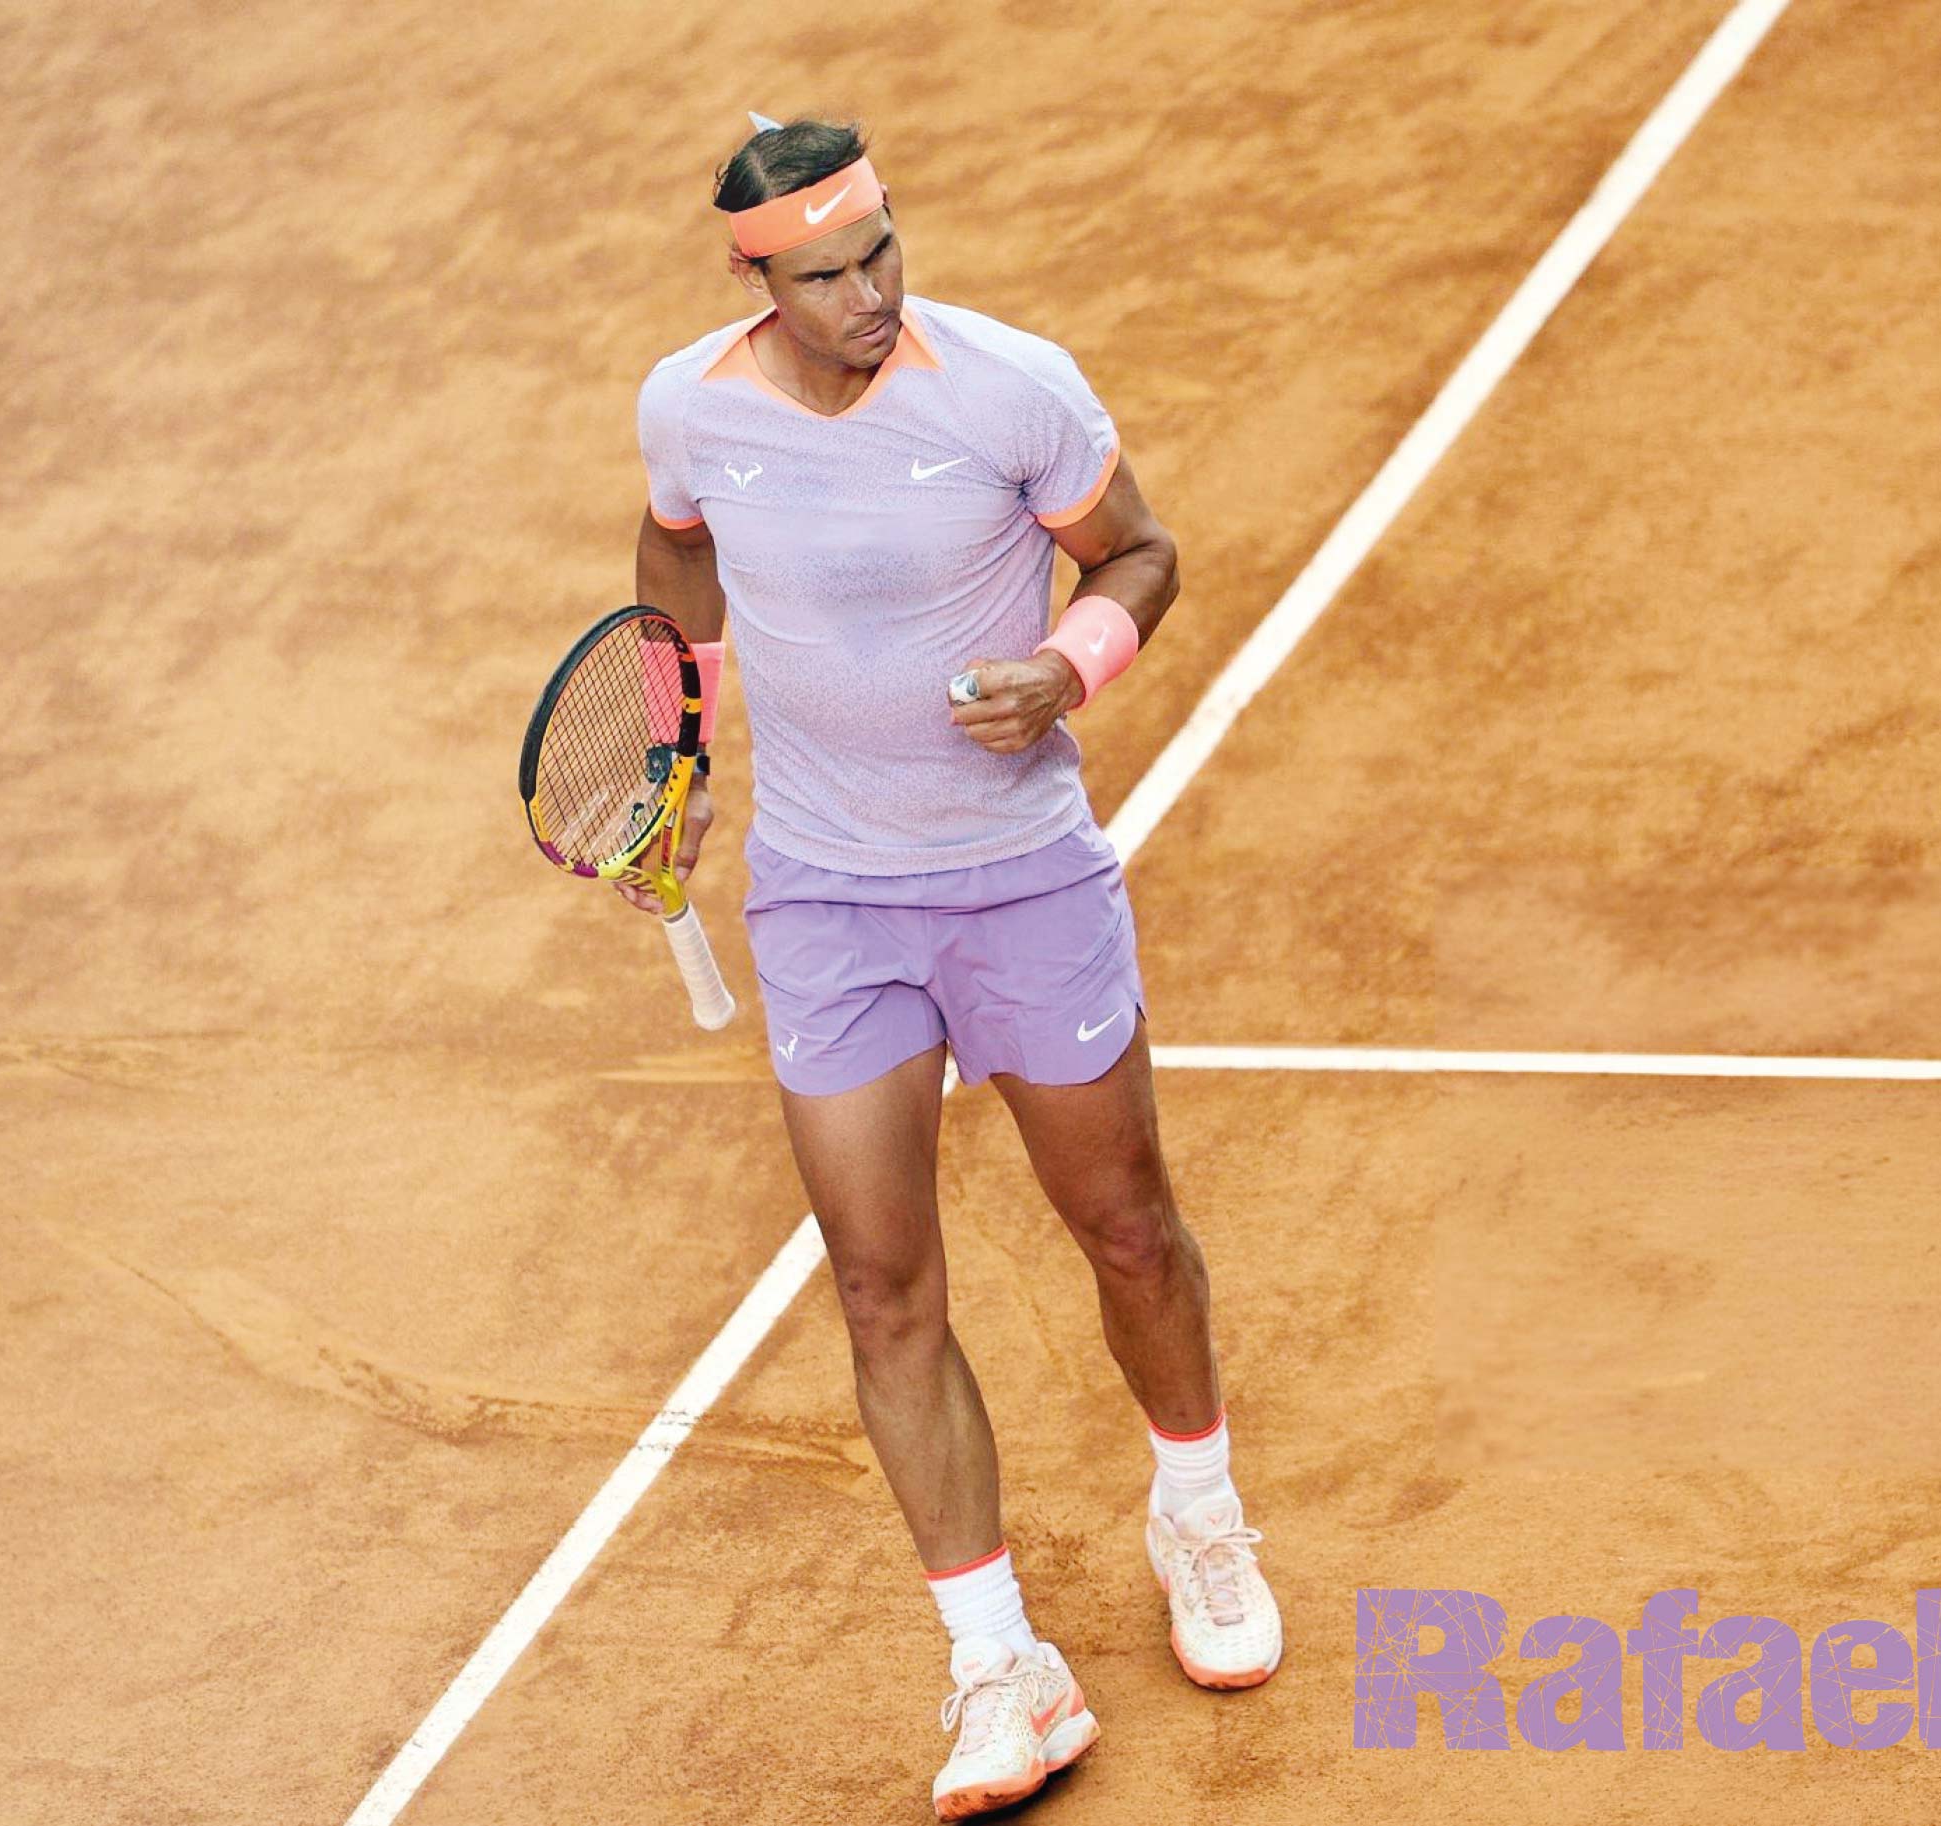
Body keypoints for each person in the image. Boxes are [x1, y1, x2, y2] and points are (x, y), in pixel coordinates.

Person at [618, 116, 1281, 1820]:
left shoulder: (1008, 389)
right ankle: (1001, 1661)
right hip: (826, 901)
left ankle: (1199, 1511)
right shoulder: (691, 408)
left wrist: (1068, 667)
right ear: (756, 281)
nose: (870, 295)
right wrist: (677, 749)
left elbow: (1140, 552)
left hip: (1019, 881)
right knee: (879, 1283)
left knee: (1123, 1222)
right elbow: (676, 557)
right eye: (826, 276)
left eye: (882, 253)